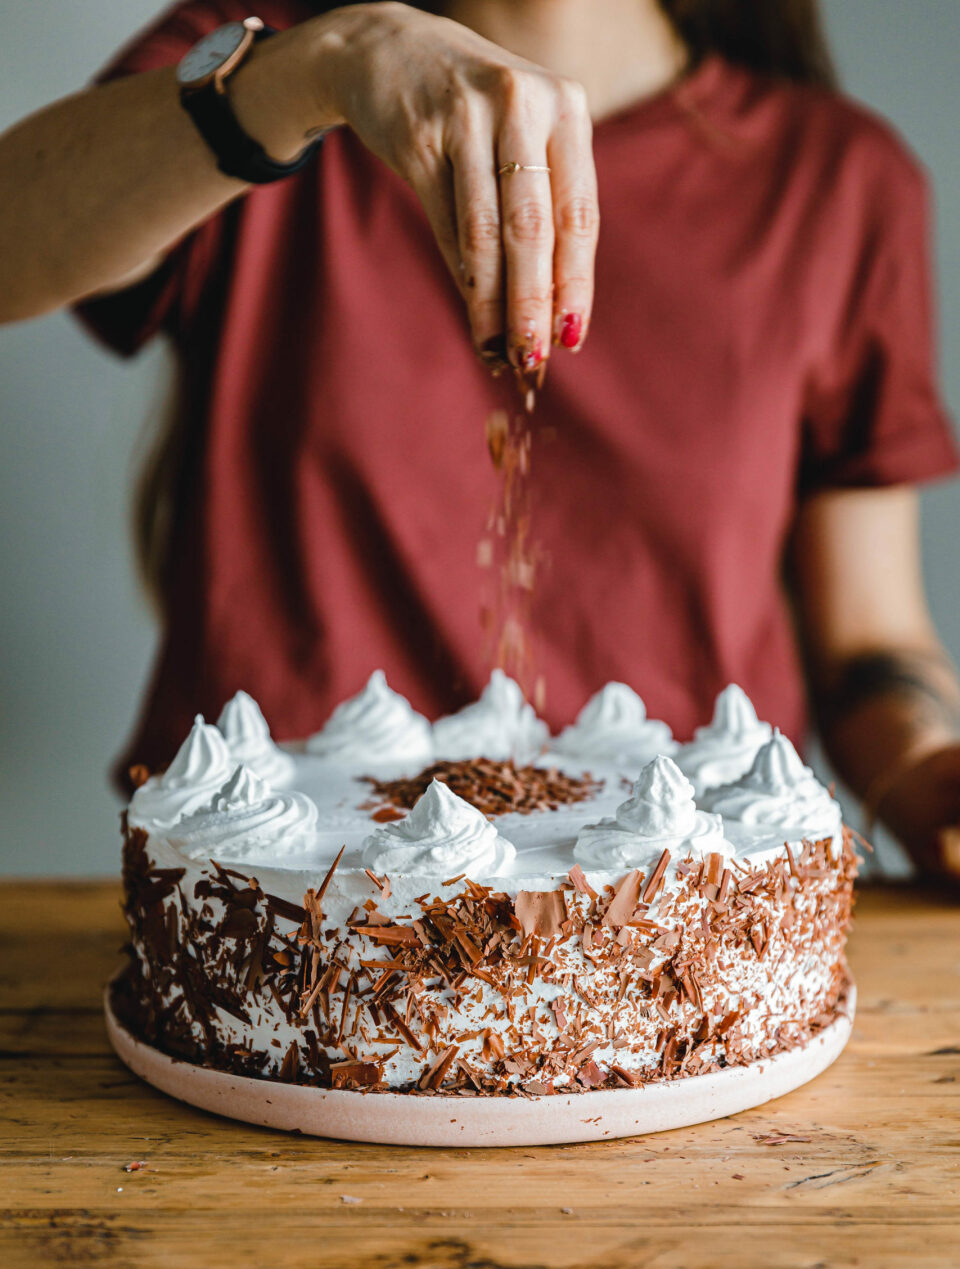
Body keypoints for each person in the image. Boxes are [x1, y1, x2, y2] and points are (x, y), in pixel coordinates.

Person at [2, 0, 959, 874]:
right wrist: (323, 68)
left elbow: (869, 639)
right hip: (292, 881)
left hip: (680, 897)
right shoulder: (265, 71)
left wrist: (927, 770)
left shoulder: (837, 177)